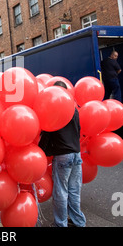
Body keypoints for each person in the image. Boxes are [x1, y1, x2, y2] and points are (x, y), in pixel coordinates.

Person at [38, 81, 86, 227]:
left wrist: (42, 150)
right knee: (74, 190)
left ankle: (60, 224)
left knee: (61, 191)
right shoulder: (74, 109)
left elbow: (47, 132)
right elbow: (78, 130)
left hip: (63, 155)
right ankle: (79, 221)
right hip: (76, 154)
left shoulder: (54, 108)